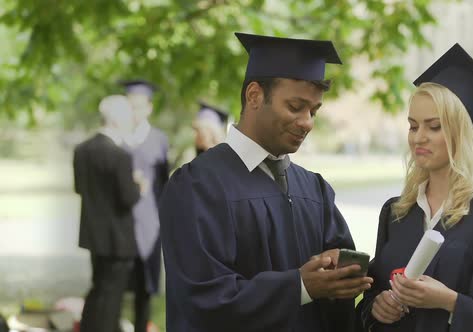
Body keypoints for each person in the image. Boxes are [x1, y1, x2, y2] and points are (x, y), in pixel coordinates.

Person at [158, 32, 374, 332]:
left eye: (313, 111)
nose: (307, 122)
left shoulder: (314, 189)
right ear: (255, 96)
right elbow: (202, 298)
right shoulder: (198, 185)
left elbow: (342, 296)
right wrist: (299, 286)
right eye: (295, 107)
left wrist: (343, 275)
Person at [355, 44, 473, 332]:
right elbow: (373, 295)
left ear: (461, 132)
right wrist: (376, 306)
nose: (419, 138)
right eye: (413, 126)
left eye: (434, 126)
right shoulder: (397, 212)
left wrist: (451, 303)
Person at [74, 95, 143, 332]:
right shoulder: (120, 156)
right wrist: (138, 186)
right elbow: (128, 198)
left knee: (98, 289)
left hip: (93, 234)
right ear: (117, 120)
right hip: (118, 238)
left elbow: (79, 188)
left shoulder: (81, 150)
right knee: (112, 297)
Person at [119, 80, 169, 332]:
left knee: (144, 289)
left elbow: (164, 183)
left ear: (149, 108)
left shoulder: (159, 139)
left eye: (139, 107)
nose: (134, 112)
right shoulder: (117, 138)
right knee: (116, 287)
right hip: (121, 223)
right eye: (130, 106)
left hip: (149, 223)